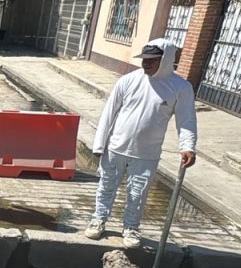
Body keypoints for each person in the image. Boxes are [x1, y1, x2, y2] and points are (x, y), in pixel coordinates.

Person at [85, 38, 198, 248]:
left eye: (152, 60)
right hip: (116, 146)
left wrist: (187, 146)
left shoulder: (180, 88)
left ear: (165, 60)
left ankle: (130, 227)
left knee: (137, 193)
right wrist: (99, 145)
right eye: (144, 59)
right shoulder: (128, 81)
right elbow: (109, 113)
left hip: (146, 153)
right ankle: (98, 219)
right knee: (106, 187)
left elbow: (186, 120)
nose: (146, 63)